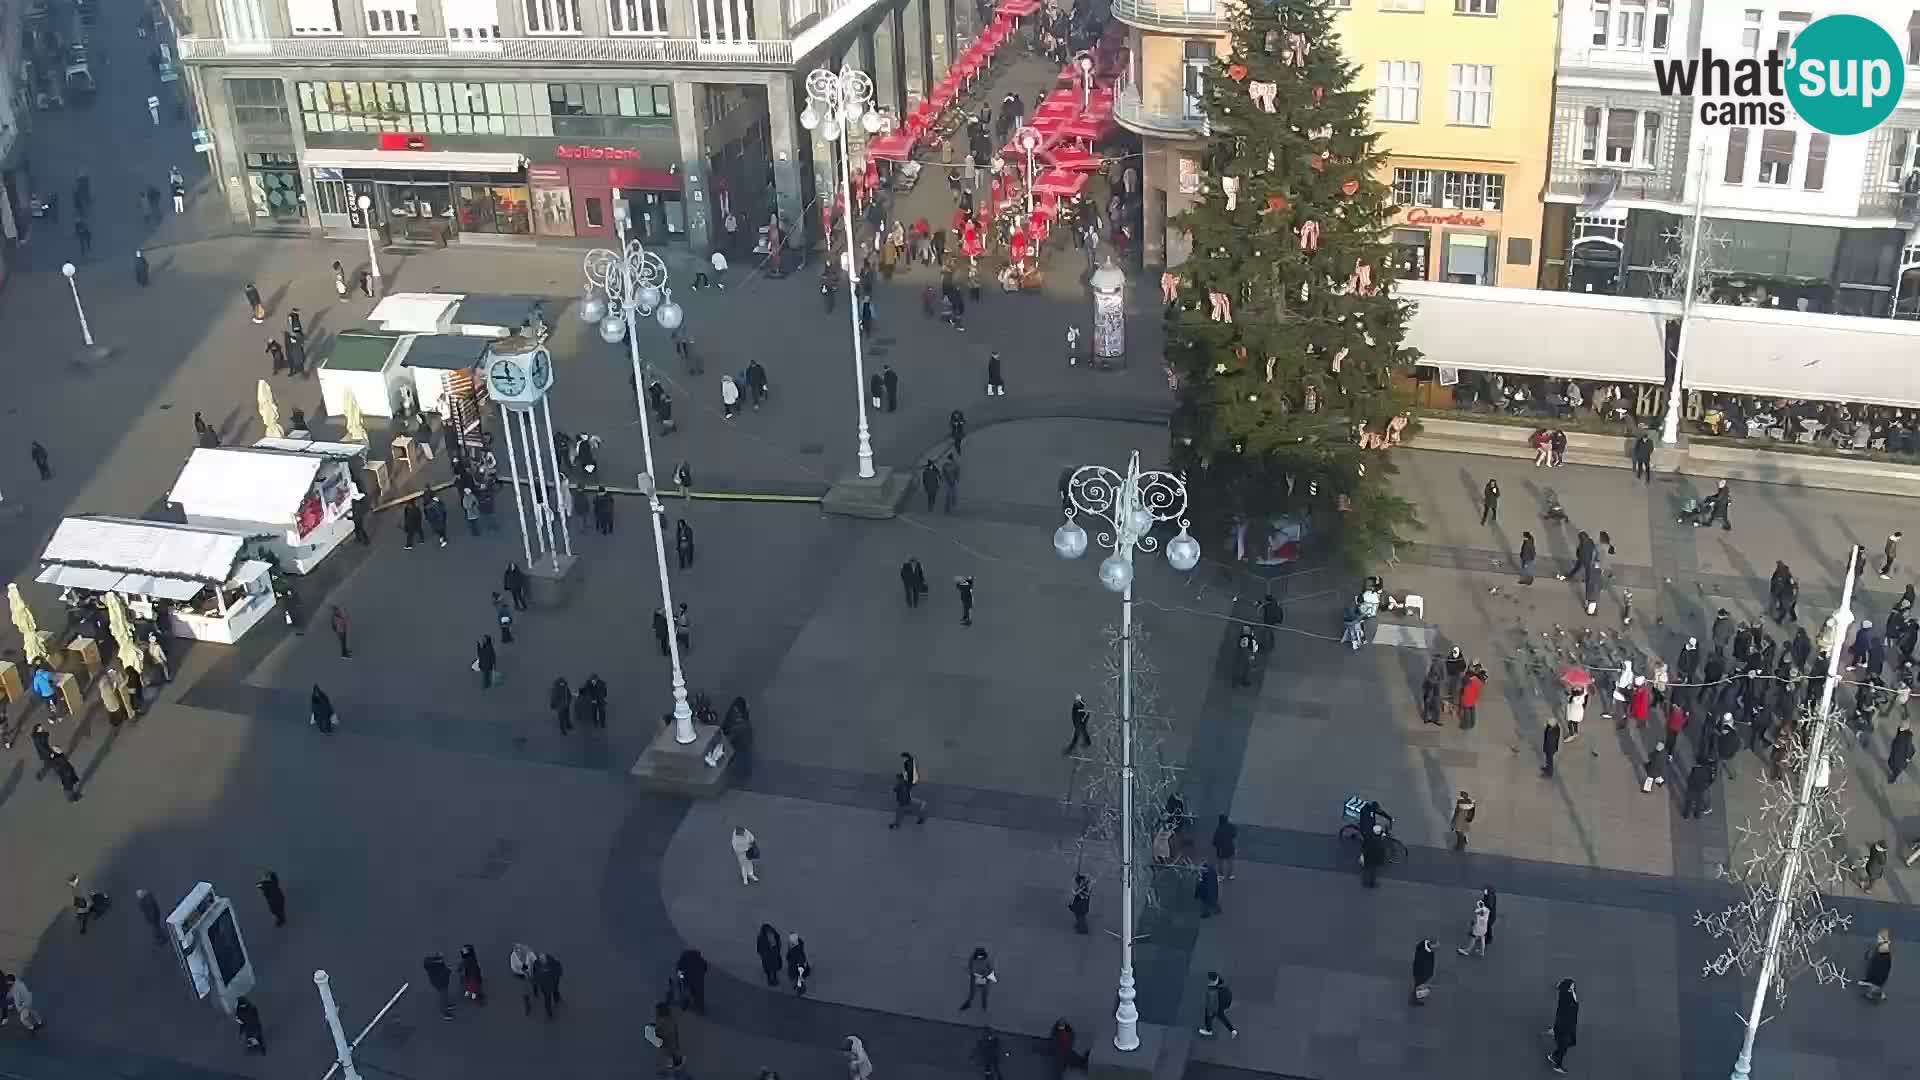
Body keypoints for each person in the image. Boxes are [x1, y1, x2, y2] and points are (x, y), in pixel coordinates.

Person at [1546, 978, 1579, 1073]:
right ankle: (1557, 1064)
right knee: (1563, 1047)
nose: (1573, 987)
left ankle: (1553, 1056)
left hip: (1563, 1023)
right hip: (1565, 1028)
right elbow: (1575, 1005)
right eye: (1571, 986)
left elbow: (1561, 986)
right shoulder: (1569, 1000)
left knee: (1563, 1047)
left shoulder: (1564, 994)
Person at [1197, 971, 1237, 1035]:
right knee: (1222, 1017)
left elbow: (1211, 1002)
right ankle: (1232, 1030)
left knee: (1209, 1015)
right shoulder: (1220, 983)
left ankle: (1209, 1031)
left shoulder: (1212, 989)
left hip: (1217, 1005)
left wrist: (1210, 1011)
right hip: (1222, 1004)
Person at [1859, 929, 1893, 1002]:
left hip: (1880, 970)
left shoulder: (1883, 950)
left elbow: (1880, 961)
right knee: (1878, 982)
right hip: (1881, 969)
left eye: (1880, 938)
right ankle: (1878, 994)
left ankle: (1872, 994)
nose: (1878, 939)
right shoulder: (1882, 949)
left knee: (1877, 982)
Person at [676, 948, 709, 1013]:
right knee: (699, 992)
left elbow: (679, 969)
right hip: (697, 979)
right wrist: (701, 975)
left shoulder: (684, 959)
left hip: (686, 978)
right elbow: (705, 967)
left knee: (685, 990)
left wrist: (681, 977)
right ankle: (700, 1007)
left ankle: (685, 1004)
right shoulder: (700, 960)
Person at [424, 953, 455, 1020]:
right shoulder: (433, 967)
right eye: (441, 959)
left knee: (445, 995)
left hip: (442, 982)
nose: (442, 960)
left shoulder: (432, 964)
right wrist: (449, 970)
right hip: (440, 983)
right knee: (443, 996)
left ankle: (447, 1005)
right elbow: (442, 974)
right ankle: (445, 1013)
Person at [1409, 939, 1436, 1005]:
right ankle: (1414, 999)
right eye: (1435, 946)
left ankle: (1415, 996)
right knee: (1418, 984)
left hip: (1419, 970)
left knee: (1418, 984)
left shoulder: (1423, 945)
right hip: (1420, 972)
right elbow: (1426, 964)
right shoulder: (1426, 953)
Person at [1211, 814, 1238, 878]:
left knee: (1220, 862)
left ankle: (1221, 875)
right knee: (1230, 862)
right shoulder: (1230, 827)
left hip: (1221, 849)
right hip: (1230, 847)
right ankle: (1230, 875)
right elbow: (1234, 834)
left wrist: (1216, 845)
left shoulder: (1218, 829)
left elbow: (1215, 841)